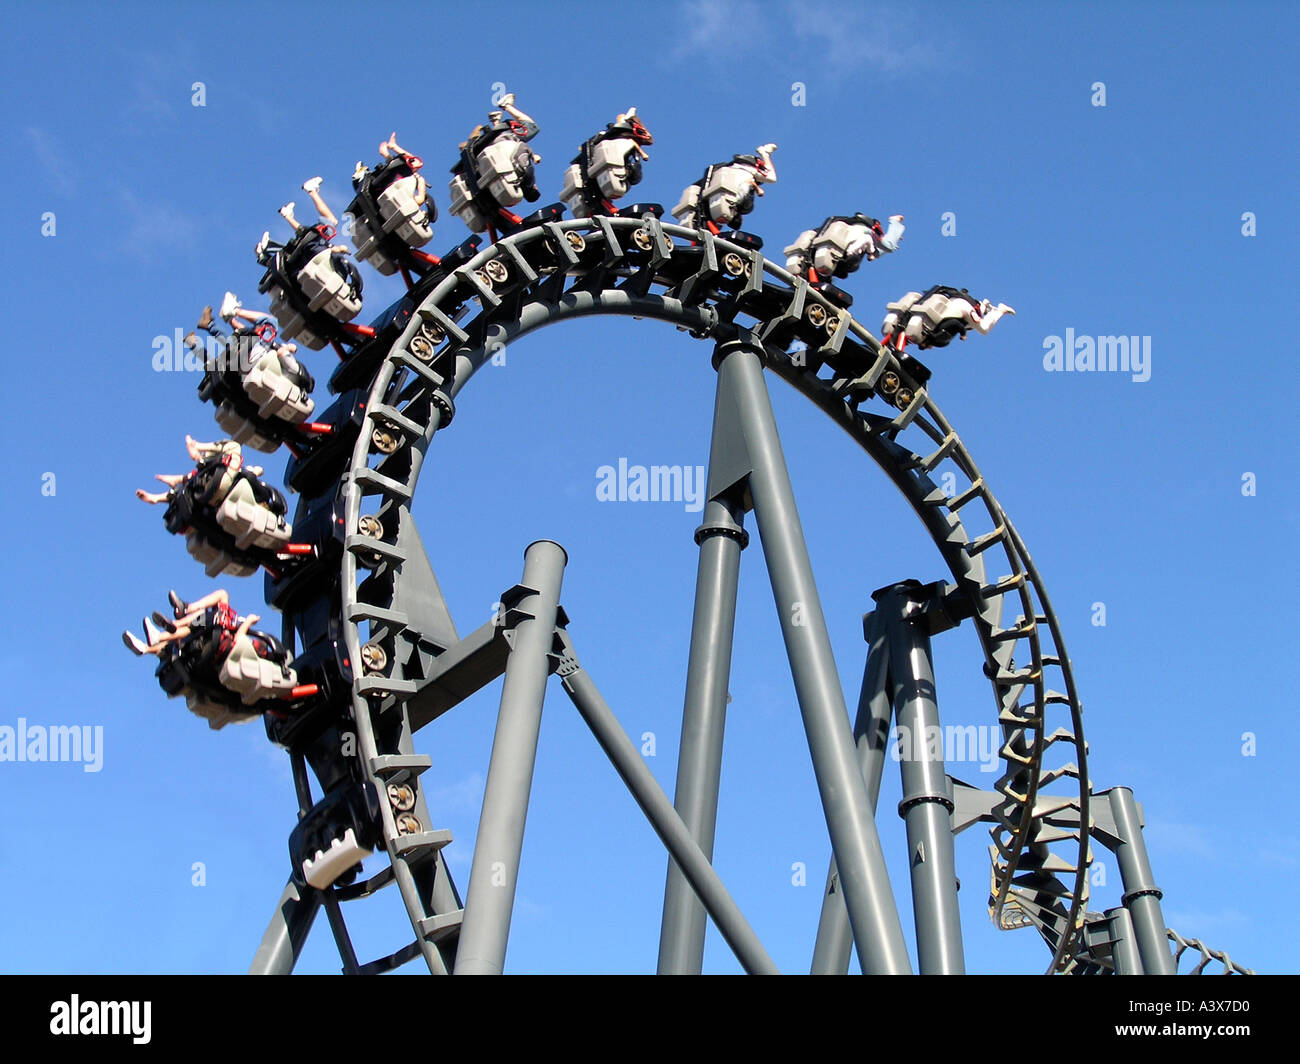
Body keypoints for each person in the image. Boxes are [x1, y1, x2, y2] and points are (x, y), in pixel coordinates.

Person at [448, 93, 543, 239]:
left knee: (491, 201)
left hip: (480, 154)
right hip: (494, 147)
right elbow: (521, 151)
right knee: (529, 130)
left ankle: (502, 114)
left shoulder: (516, 179)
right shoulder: (525, 179)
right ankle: (506, 107)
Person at [560, 107, 653, 218]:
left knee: (604, 189)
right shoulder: (614, 142)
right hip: (596, 178)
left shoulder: (623, 142)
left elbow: (646, 141)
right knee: (597, 190)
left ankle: (630, 119)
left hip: (608, 165)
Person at [671, 143, 778, 233]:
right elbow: (748, 184)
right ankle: (765, 153)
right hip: (744, 169)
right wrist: (757, 188)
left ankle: (765, 153)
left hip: (732, 169)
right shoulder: (742, 205)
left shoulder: (724, 201)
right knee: (771, 178)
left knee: (770, 178)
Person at [880, 285, 1016, 352]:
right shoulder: (934, 336)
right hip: (959, 306)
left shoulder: (933, 335)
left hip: (960, 306)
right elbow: (955, 323)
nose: (930, 348)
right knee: (983, 328)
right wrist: (962, 334)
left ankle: (996, 309)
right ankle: (998, 310)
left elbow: (955, 322)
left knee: (982, 328)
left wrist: (962, 333)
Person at [784, 213, 904, 283]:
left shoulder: (848, 230)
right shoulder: (865, 233)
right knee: (890, 245)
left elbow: (873, 254)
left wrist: (872, 253)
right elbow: (878, 247)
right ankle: (895, 221)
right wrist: (872, 252)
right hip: (849, 248)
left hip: (832, 250)